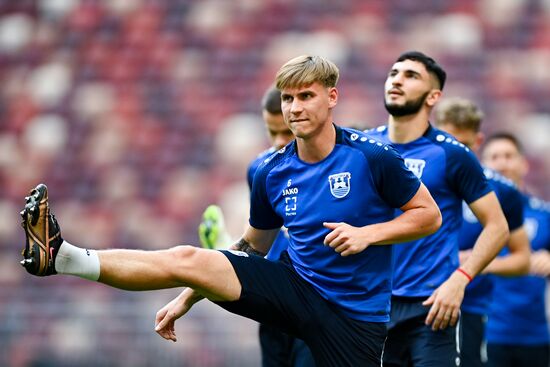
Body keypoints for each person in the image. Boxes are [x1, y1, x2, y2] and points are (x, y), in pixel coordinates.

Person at [19, 55, 442, 367]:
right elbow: (251, 247)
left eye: (306, 97)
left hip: (354, 317)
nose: (295, 108)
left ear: (332, 98)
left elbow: (428, 214)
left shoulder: (372, 157)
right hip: (297, 289)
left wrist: (368, 234)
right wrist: (190, 293)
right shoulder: (270, 172)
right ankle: (63, 257)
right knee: (188, 258)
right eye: (288, 99)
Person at [365, 51, 509, 367]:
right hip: (371, 306)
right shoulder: (361, 148)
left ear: (434, 96)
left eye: (411, 76)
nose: (397, 80)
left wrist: (460, 280)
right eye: (394, 73)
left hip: (432, 308)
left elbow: (498, 227)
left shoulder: (451, 154)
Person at [198, 86, 315, 367]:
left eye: (286, 133)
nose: (278, 142)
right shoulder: (260, 169)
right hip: (273, 297)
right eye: (271, 132)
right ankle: (225, 249)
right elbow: (261, 235)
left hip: (312, 297)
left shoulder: (328, 167)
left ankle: (224, 248)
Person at [434, 98, 531, 367]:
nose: (455, 152)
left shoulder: (502, 191)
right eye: (448, 142)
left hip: (472, 309)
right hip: (416, 301)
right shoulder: (417, 178)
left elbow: (522, 259)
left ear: (477, 142)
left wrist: (480, 262)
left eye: (463, 145)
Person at [480, 132, 550, 367]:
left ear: (524, 164)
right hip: (486, 332)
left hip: (536, 335)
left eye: (509, 156)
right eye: (494, 157)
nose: (502, 163)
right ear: (483, 166)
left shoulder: (544, 214)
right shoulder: (471, 216)